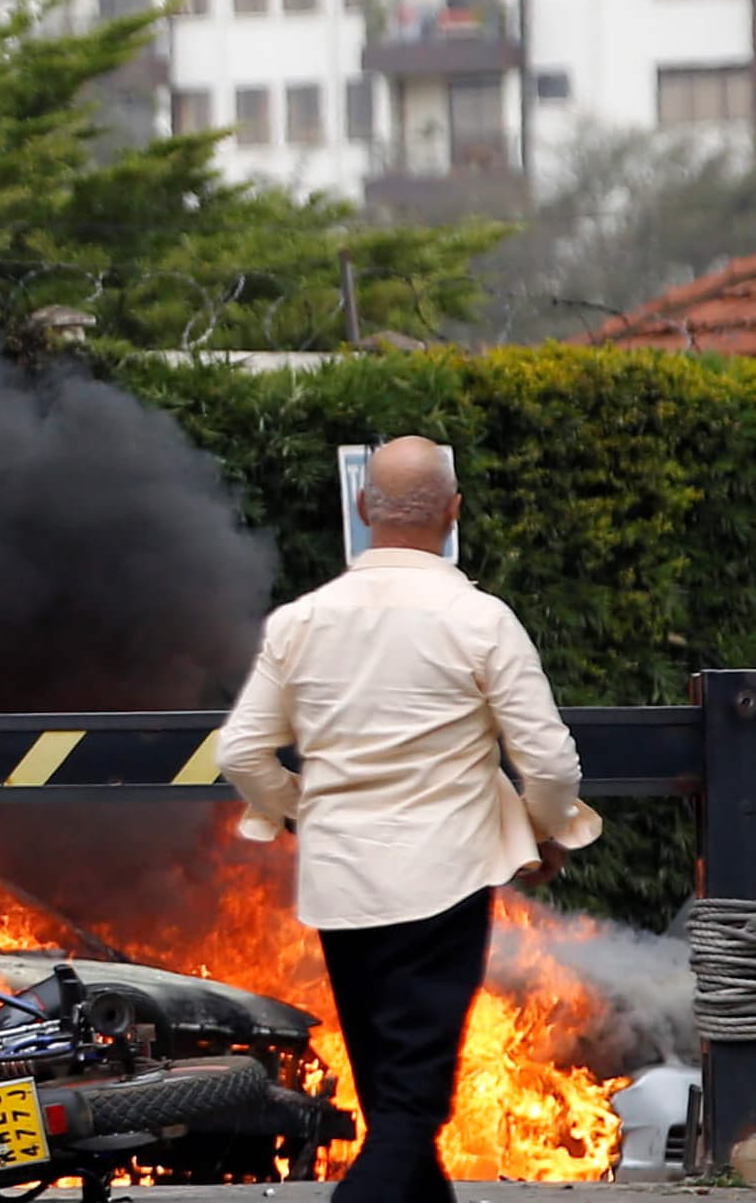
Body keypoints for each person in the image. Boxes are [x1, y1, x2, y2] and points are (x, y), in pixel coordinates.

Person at [213, 435, 602, 1203]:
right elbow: (550, 764)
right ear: (453, 513)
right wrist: (544, 829)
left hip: (340, 884)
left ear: (362, 509)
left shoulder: (301, 620)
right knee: (407, 1112)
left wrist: (299, 812)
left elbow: (242, 752)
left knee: (397, 1106)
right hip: (443, 881)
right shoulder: (480, 620)